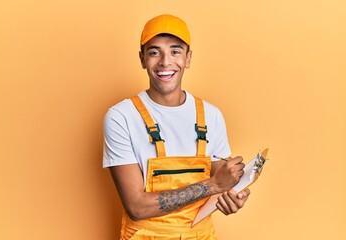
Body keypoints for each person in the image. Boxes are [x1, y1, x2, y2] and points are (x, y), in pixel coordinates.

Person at [103, 14, 251, 240]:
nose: (165, 61)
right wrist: (213, 186)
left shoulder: (211, 116)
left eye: (175, 51)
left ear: (188, 58)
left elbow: (223, 183)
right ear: (142, 59)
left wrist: (233, 196)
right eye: (154, 52)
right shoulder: (121, 117)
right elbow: (137, 207)